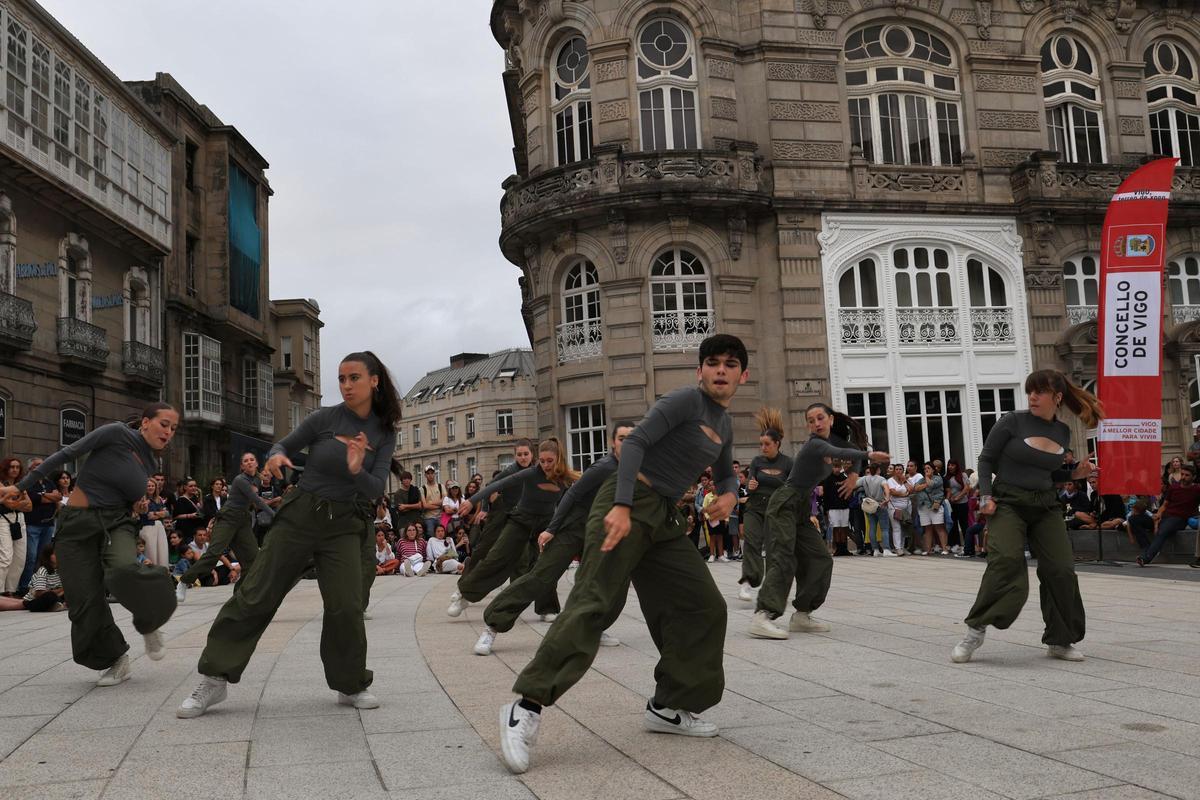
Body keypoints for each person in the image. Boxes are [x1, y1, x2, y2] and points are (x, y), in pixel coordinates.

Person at [498, 334, 748, 775]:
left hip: (665, 519)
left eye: (730, 364)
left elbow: (726, 474)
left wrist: (730, 496)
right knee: (595, 602)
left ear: (742, 375)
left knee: (704, 606)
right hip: (627, 500)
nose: (721, 370)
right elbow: (633, 444)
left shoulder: (724, 425)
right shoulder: (684, 401)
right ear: (700, 370)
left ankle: (669, 706)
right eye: (713, 363)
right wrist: (622, 504)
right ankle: (526, 707)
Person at [176, 351, 400, 718]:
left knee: (347, 605)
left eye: (354, 378)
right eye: (342, 378)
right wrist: (277, 456)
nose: (346, 385)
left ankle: (350, 682)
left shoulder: (384, 431)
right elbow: (283, 445)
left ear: (374, 380)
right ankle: (214, 678)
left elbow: (375, 489)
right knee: (256, 593)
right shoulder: (325, 418)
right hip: (300, 517)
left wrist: (357, 468)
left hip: (345, 525)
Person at [0, 404, 180, 685]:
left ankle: (150, 620)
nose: (169, 432)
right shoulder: (115, 433)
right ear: (145, 422)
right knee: (83, 601)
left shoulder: (150, 461)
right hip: (75, 526)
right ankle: (116, 658)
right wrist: (21, 486)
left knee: (121, 570)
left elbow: (125, 494)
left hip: (116, 524)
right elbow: (66, 453)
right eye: (164, 424)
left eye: (174, 428)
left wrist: (137, 502)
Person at [951, 369, 1102, 664]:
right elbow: (986, 459)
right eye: (1030, 391)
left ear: (1057, 398)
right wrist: (985, 497)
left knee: (1060, 569)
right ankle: (975, 629)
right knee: (1006, 560)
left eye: (1040, 391)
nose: (1032, 396)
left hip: (1046, 506)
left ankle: (1060, 640)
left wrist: (1076, 473)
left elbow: (1050, 472)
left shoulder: (1062, 431)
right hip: (1008, 502)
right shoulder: (1012, 422)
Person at [473, 422, 635, 656]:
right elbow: (572, 496)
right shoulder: (604, 466)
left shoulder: (635, 467)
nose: (627, 443)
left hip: (599, 530)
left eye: (632, 438)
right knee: (541, 576)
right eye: (622, 438)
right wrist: (552, 529)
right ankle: (492, 627)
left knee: (612, 579)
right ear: (613, 443)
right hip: (572, 527)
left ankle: (593, 626)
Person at [750, 404, 886, 639]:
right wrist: (868, 456)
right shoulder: (815, 444)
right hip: (785, 503)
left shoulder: (834, 442)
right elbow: (850, 454)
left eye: (820, 418)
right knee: (784, 558)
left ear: (831, 419)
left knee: (821, 559)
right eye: (811, 420)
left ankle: (802, 614)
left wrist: (854, 475)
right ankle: (762, 616)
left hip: (801, 507)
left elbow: (850, 448)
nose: (816, 423)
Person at [449, 438, 578, 619]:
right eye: (542, 461)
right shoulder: (531, 473)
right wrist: (473, 501)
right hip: (520, 521)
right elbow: (496, 485)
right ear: (537, 459)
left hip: (545, 526)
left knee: (546, 566)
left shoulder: (566, 479)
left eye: (550, 461)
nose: (546, 465)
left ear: (559, 459)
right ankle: (465, 595)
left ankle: (547, 608)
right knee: (496, 558)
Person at [176, 453, 275, 603]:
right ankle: (184, 581)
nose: (249, 462)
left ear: (256, 463)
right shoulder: (240, 480)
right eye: (245, 461)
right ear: (242, 466)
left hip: (243, 520)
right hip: (228, 519)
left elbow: (256, 495)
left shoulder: (257, 478)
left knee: (253, 559)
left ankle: (240, 594)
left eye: (252, 460)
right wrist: (274, 515)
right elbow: (256, 500)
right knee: (214, 553)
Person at [737, 408, 793, 601]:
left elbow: (792, 488)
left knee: (772, 548)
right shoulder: (757, 462)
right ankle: (747, 582)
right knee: (751, 542)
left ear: (777, 444)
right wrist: (750, 485)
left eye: (767, 444)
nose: (763, 448)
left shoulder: (788, 463)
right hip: (754, 508)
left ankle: (770, 586)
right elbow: (750, 485)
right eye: (761, 444)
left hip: (775, 510)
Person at [1138, 463, 1200, 566]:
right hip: (1165, 516)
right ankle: (1149, 548)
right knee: (1135, 519)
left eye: (1187, 475)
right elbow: (1164, 505)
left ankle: (1146, 558)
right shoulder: (1174, 487)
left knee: (1163, 530)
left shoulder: (1197, 489)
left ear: (1194, 477)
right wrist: (1158, 515)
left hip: (1179, 519)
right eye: (1182, 474)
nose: (1183, 477)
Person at [18, 457, 59, 595]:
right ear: (30, 469)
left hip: (48, 525)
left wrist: (43, 495)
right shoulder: (27, 483)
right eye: (37, 465)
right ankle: (25, 586)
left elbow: (57, 497)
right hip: (32, 524)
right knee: (31, 556)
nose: (41, 467)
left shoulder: (49, 482)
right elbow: (34, 499)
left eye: (42, 465)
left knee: (43, 558)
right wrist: (47, 497)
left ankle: (40, 585)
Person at [0, 542, 64, 613]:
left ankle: (58, 604)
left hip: (54, 597)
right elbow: (39, 594)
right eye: (55, 554)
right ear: (48, 556)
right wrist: (62, 590)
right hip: (34, 600)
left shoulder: (62, 570)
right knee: (50, 596)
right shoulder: (43, 570)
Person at [0, 456, 31, 596]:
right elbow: (9, 504)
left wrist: (13, 499)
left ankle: (10, 591)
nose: (15, 469)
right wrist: (20, 500)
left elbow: (29, 506)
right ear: (6, 468)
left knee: (20, 558)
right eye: (12, 467)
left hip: (20, 519)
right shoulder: (1, 483)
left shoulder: (21, 484)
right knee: (6, 556)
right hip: (3, 518)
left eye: (17, 467)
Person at [137, 478, 171, 570]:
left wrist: (156, 514)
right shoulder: (141, 499)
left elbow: (167, 513)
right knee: (151, 552)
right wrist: (160, 514)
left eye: (153, 486)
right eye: (148, 486)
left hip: (159, 528)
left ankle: (162, 574)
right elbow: (148, 515)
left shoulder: (158, 499)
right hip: (147, 528)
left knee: (162, 553)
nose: (151, 487)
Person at [916, 462, 949, 555]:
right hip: (924, 506)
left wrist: (926, 478)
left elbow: (931, 484)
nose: (926, 470)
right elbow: (916, 488)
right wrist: (925, 484)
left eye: (928, 468)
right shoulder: (921, 479)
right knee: (927, 529)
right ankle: (928, 549)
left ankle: (944, 549)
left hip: (935, 506)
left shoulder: (938, 478)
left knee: (939, 527)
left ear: (933, 469)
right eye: (925, 468)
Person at [857, 463, 889, 556]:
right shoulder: (881, 479)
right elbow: (886, 488)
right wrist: (887, 498)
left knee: (872, 528)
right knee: (884, 528)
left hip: (869, 505)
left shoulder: (864, 479)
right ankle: (886, 549)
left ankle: (875, 550)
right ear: (878, 470)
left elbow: (854, 485)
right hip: (880, 504)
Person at [884, 464, 911, 556]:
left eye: (900, 469)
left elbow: (911, 490)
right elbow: (893, 492)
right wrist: (904, 494)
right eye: (897, 469)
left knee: (904, 527)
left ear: (903, 471)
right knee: (896, 528)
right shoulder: (890, 480)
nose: (899, 471)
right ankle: (897, 548)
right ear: (894, 471)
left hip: (906, 508)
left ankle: (903, 547)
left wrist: (905, 482)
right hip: (894, 507)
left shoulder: (905, 480)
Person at [172, 479, 204, 543]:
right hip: (185, 531)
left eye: (195, 486)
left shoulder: (195, 498)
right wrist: (190, 515)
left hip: (195, 530)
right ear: (185, 487)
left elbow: (201, 508)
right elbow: (175, 516)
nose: (193, 488)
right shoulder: (181, 500)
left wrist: (200, 496)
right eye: (191, 486)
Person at [419, 466, 445, 539]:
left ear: (434, 474)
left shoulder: (441, 486)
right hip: (428, 518)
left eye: (432, 473)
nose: (430, 475)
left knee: (442, 537)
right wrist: (439, 505)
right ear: (425, 475)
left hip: (440, 516)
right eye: (428, 473)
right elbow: (425, 506)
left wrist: (430, 503)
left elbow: (444, 501)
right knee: (430, 537)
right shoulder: (422, 489)